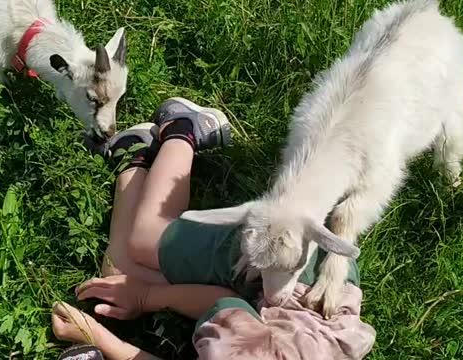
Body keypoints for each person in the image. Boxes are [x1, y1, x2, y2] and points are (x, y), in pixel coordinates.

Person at [51, 98, 376, 360]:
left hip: (282, 317)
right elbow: (221, 301)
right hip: (294, 262)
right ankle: (183, 127)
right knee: (144, 240)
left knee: (117, 272)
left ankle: (133, 156)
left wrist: (105, 341)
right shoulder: (237, 351)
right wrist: (145, 296)